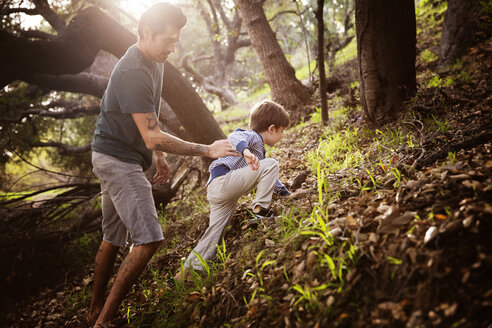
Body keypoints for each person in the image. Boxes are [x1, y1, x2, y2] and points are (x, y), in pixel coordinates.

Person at [87, 3, 238, 327]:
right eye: (167, 40)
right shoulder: (132, 70)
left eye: (176, 41)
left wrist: (157, 156)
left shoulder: (153, 60)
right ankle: (103, 321)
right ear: (145, 33)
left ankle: (93, 309)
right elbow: (153, 135)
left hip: (112, 154)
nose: (172, 48)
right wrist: (206, 149)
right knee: (150, 239)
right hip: (117, 161)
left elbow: (147, 121)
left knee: (112, 238)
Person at [175, 100, 304, 280]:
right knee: (271, 164)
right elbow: (235, 138)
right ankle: (260, 211)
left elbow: (269, 176)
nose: (282, 135)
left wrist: (287, 195)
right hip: (223, 181)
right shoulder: (252, 137)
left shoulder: (258, 153)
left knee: (215, 231)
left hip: (218, 189)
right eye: (282, 131)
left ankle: (184, 275)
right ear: (272, 128)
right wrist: (245, 152)